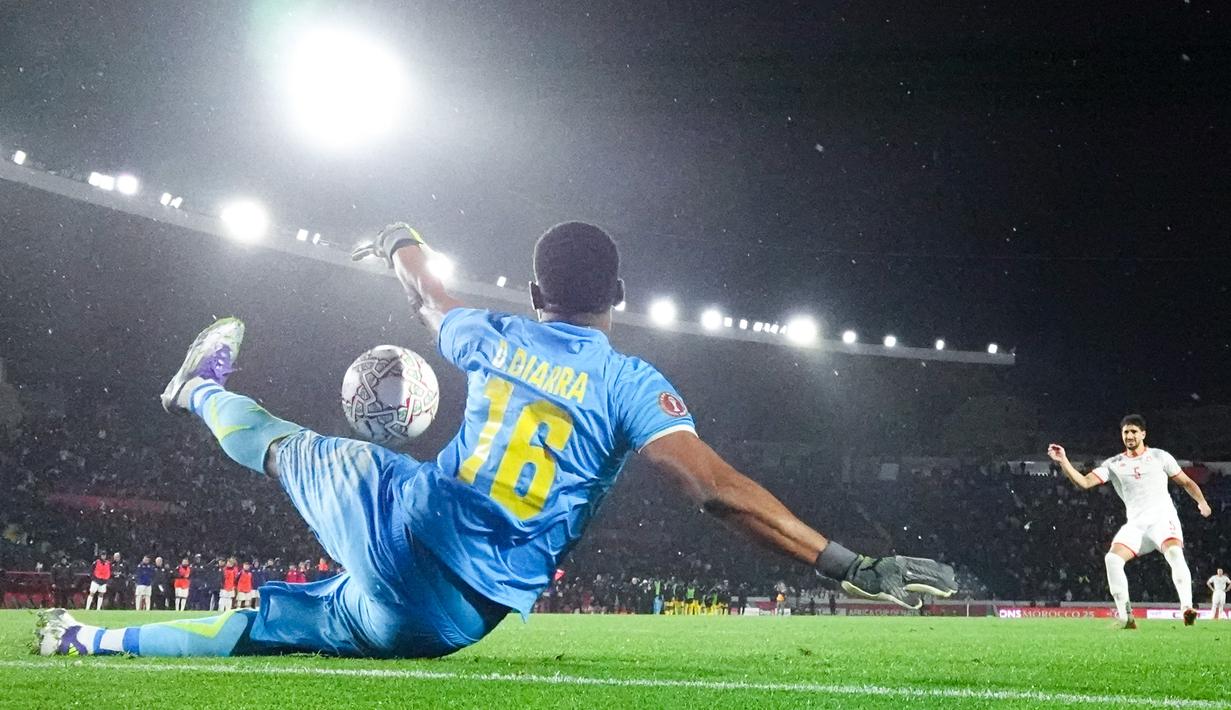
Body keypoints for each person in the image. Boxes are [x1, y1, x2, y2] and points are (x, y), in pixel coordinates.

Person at [35, 221, 955, 658]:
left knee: (278, 439)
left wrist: (400, 241)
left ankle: (197, 392)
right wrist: (850, 566)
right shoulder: (632, 385)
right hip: (448, 623)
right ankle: (87, 640)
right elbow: (714, 489)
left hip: (407, 515)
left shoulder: (489, 334)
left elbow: (427, 292)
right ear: (619, 299)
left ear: (535, 293)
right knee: (265, 633)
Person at [1048, 414, 1212, 629]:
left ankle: (1187, 608)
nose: (1129, 435)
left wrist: (1202, 502)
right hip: (1136, 525)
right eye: (1126, 432)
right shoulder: (1115, 464)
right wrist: (1064, 462)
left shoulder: (1159, 457)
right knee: (1112, 560)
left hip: (1163, 519)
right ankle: (1127, 617)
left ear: (1143, 434)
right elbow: (1085, 482)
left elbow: (1186, 482)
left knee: (1174, 552)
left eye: (1134, 431)